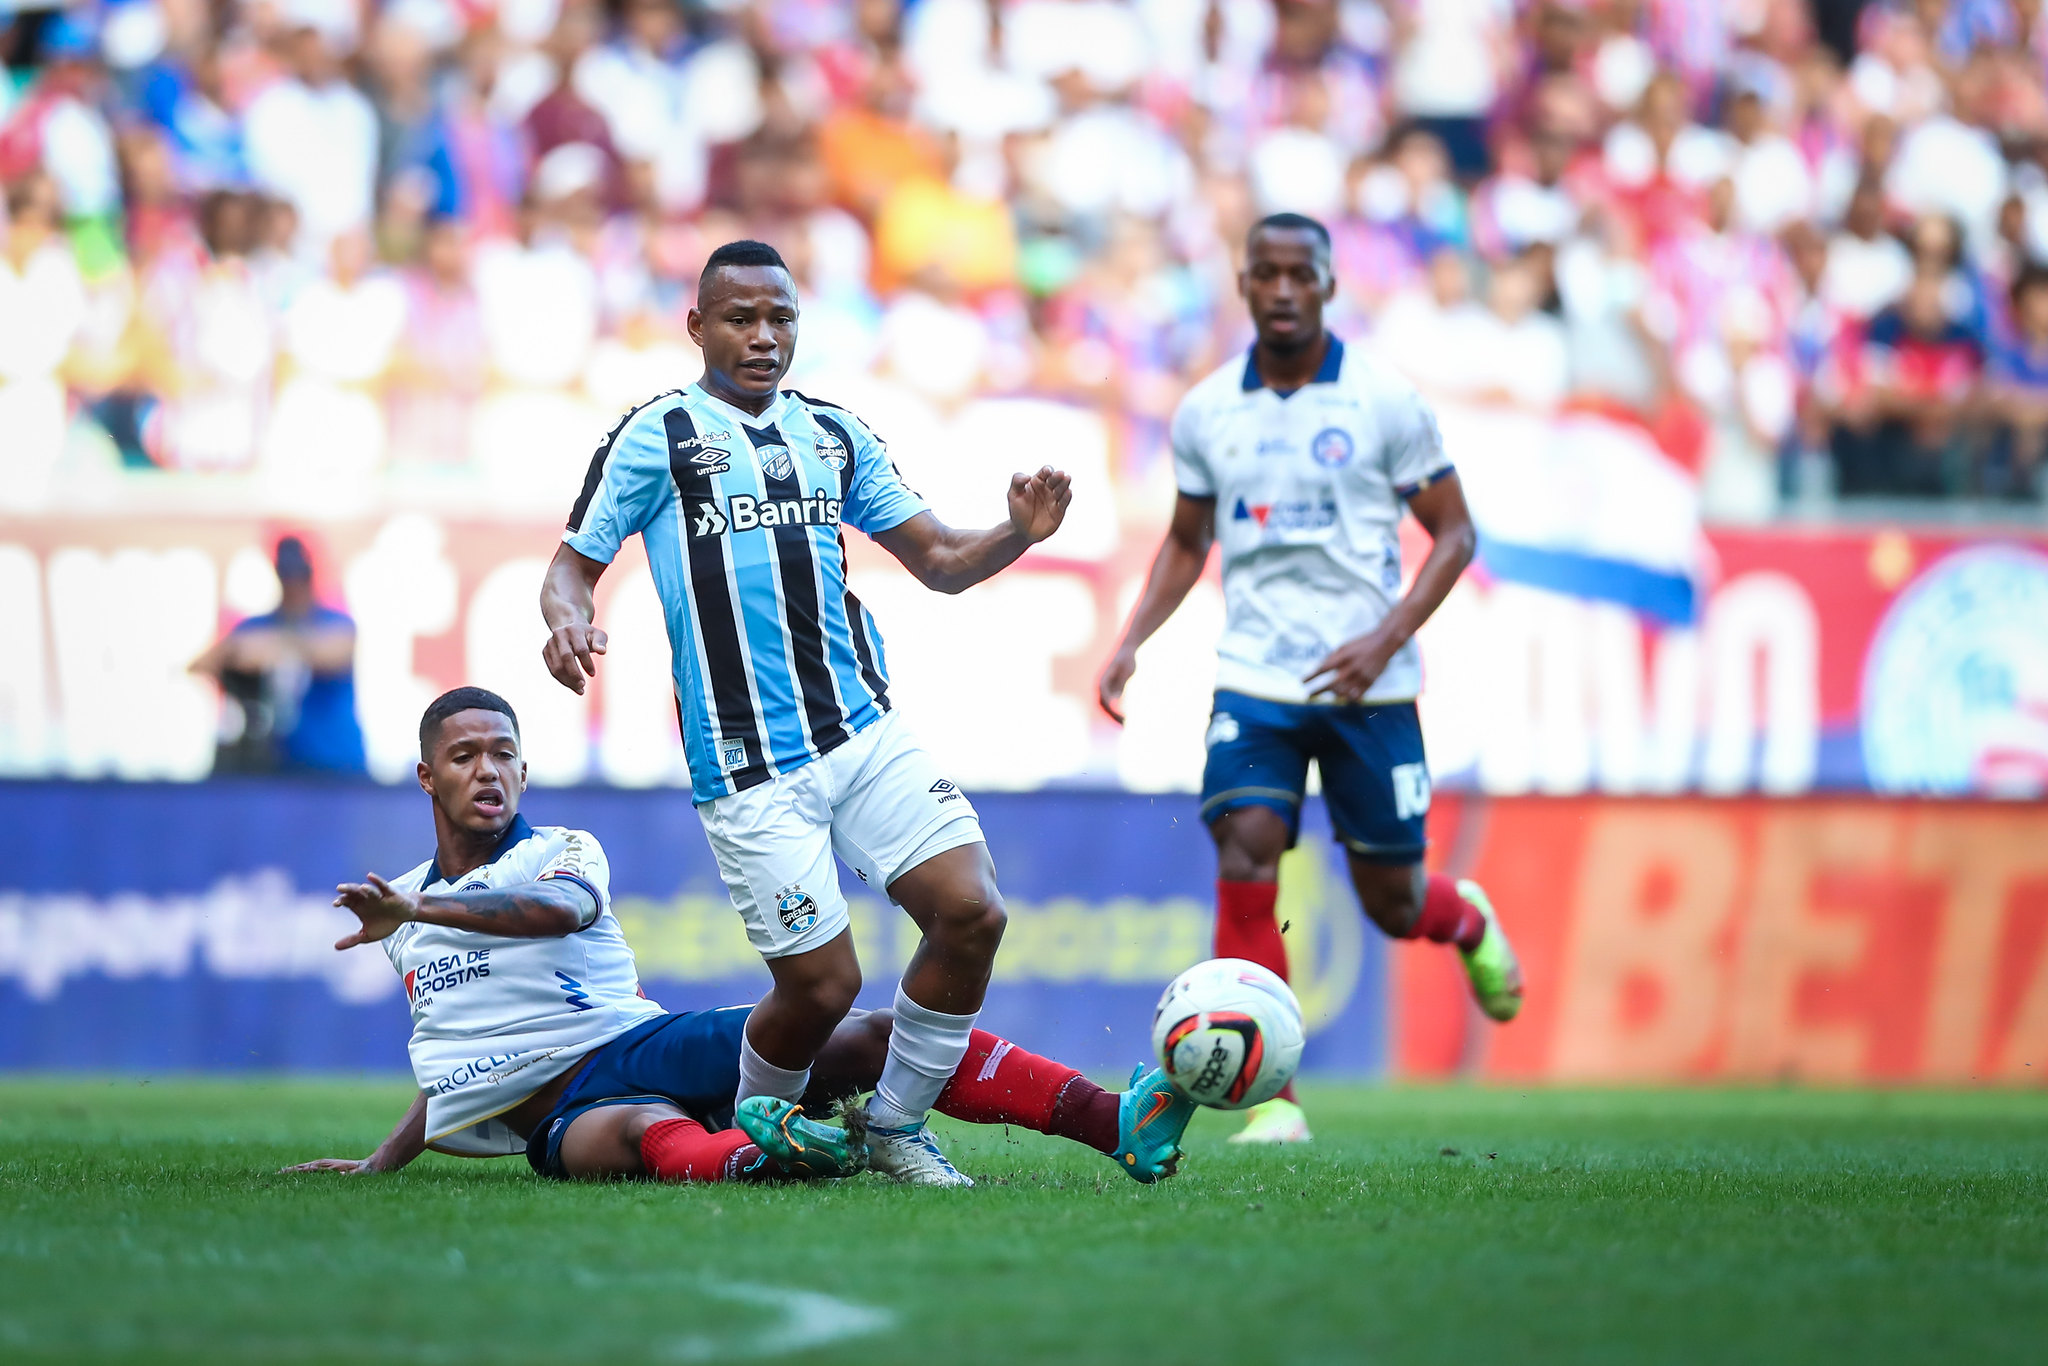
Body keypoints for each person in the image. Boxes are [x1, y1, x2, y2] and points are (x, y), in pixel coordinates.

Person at [538, 240, 1072, 1186]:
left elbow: (942, 561)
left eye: (780, 318)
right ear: (697, 326)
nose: (763, 337)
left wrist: (1016, 536)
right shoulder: (654, 434)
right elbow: (573, 566)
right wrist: (568, 622)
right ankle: (757, 1136)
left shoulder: (834, 434)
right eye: (741, 318)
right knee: (824, 989)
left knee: (972, 912)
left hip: (861, 730)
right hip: (748, 763)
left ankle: (895, 1127)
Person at [284, 687, 1194, 1186]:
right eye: (464, 756)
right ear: (426, 777)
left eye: (503, 753)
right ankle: (779, 1153)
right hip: (555, 1120)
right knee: (645, 1135)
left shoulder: (560, 852)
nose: (488, 770)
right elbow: (454, 1058)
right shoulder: (396, 906)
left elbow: (552, 917)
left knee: (866, 1038)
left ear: (525, 768)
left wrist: (420, 913)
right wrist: (382, 1160)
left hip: (637, 1041)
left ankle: (1118, 1121)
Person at [1097, 213, 1524, 1147]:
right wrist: (1133, 640)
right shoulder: (1208, 408)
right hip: (1256, 676)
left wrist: (1386, 636)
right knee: (1248, 851)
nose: (1284, 291)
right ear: (1243, 286)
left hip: (1369, 686)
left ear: (1330, 285)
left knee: (1392, 903)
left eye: (1303, 275)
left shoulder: (1384, 400)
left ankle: (1465, 919)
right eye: (1267, 275)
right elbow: (1185, 538)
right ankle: (1272, 1097)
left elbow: (1456, 534)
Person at [190, 535, 366, 776]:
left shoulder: (334, 623)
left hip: (336, 763)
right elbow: (201, 664)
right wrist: (238, 654)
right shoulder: (258, 626)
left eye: (299, 577)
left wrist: (277, 647)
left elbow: (335, 653)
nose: (293, 587)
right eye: (287, 577)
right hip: (278, 762)